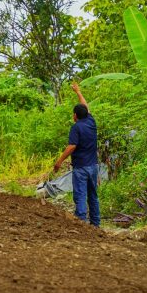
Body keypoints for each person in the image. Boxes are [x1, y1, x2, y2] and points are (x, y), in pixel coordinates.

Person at [52, 82, 100, 227]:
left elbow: (72, 146)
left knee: (80, 196)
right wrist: (78, 92)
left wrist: (59, 162)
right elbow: (85, 105)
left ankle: (81, 224)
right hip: (93, 167)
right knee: (93, 196)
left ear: (75, 116)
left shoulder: (76, 127)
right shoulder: (91, 121)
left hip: (81, 168)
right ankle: (95, 223)